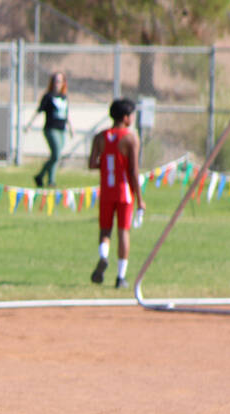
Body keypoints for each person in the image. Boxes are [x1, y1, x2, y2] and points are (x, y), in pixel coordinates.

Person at [88, 98, 143, 289]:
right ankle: (121, 277)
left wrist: (106, 164)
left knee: (105, 230)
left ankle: (103, 256)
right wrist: (140, 199)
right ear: (126, 117)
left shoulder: (100, 137)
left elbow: (92, 164)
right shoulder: (130, 138)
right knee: (123, 232)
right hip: (124, 192)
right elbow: (133, 171)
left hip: (106, 191)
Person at [25, 72, 74, 188]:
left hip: (62, 129)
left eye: (60, 81)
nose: (57, 83)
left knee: (56, 156)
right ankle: (45, 178)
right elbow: (39, 111)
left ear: (63, 83)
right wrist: (30, 124)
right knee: (56, 154)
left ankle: (46, 179)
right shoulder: (48, 96)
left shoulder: (64, 97)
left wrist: (71, 128)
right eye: (55, 81)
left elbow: (66, 114)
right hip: (50, 128)